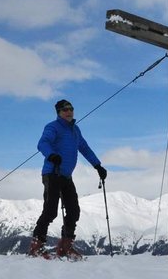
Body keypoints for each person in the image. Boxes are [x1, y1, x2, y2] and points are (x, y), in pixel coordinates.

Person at [28, 99, 108, 259]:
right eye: (65, 110)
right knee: (50, 210)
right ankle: (36, 245)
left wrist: (97, 166)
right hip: (52, 172)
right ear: (59, 112)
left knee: (73, 210)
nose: (69, 112)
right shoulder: (53, 127)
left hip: (65, 175)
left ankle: (65, 246)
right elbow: (42, 143)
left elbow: (84, 148)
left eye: (71, 109)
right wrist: (51, 155)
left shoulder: (75, 130)